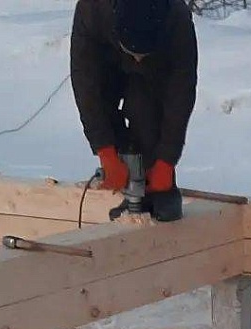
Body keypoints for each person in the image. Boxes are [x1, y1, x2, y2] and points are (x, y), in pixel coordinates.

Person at [70, 0, 198, 223]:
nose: (137, 60)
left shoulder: (177, 19)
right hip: (107, 56)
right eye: (134, 53)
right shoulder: (92, 10)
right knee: (102, 103)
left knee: (145, 107)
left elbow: (180, 95)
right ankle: (129, 179)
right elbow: (87, 88)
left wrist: (166, 160)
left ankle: (157, 190)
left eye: (142, 54)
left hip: (158, 64)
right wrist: (106, 151)